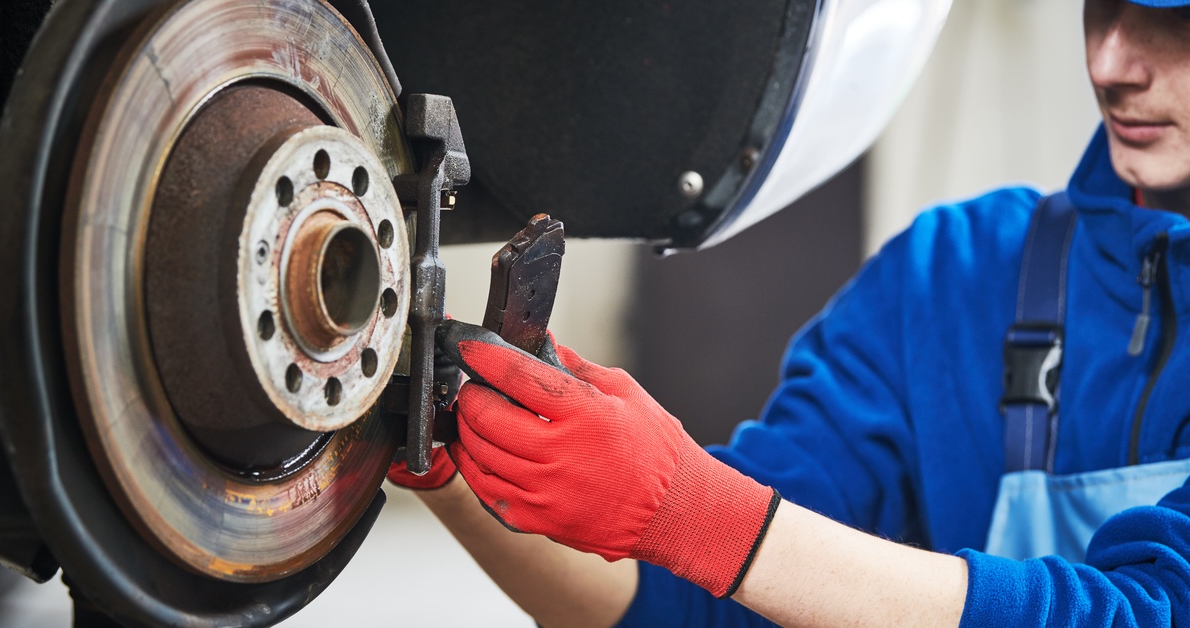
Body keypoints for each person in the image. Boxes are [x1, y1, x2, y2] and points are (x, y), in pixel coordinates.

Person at [389, 0, 1190, 625]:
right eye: (1101, 7)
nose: (1110, 60)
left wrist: (698, 512)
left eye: (1168, 16)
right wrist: (445, 452)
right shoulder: (954, 275)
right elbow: (701, 605)